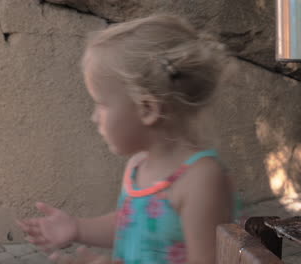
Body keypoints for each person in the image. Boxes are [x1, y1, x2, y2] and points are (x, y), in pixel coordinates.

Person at [17, 14, 236, 264]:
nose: (94, 117)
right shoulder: (137, 167)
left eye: (101, 104)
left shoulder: (200, 180)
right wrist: (77, 228)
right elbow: (129, 225)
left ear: (147, 109)